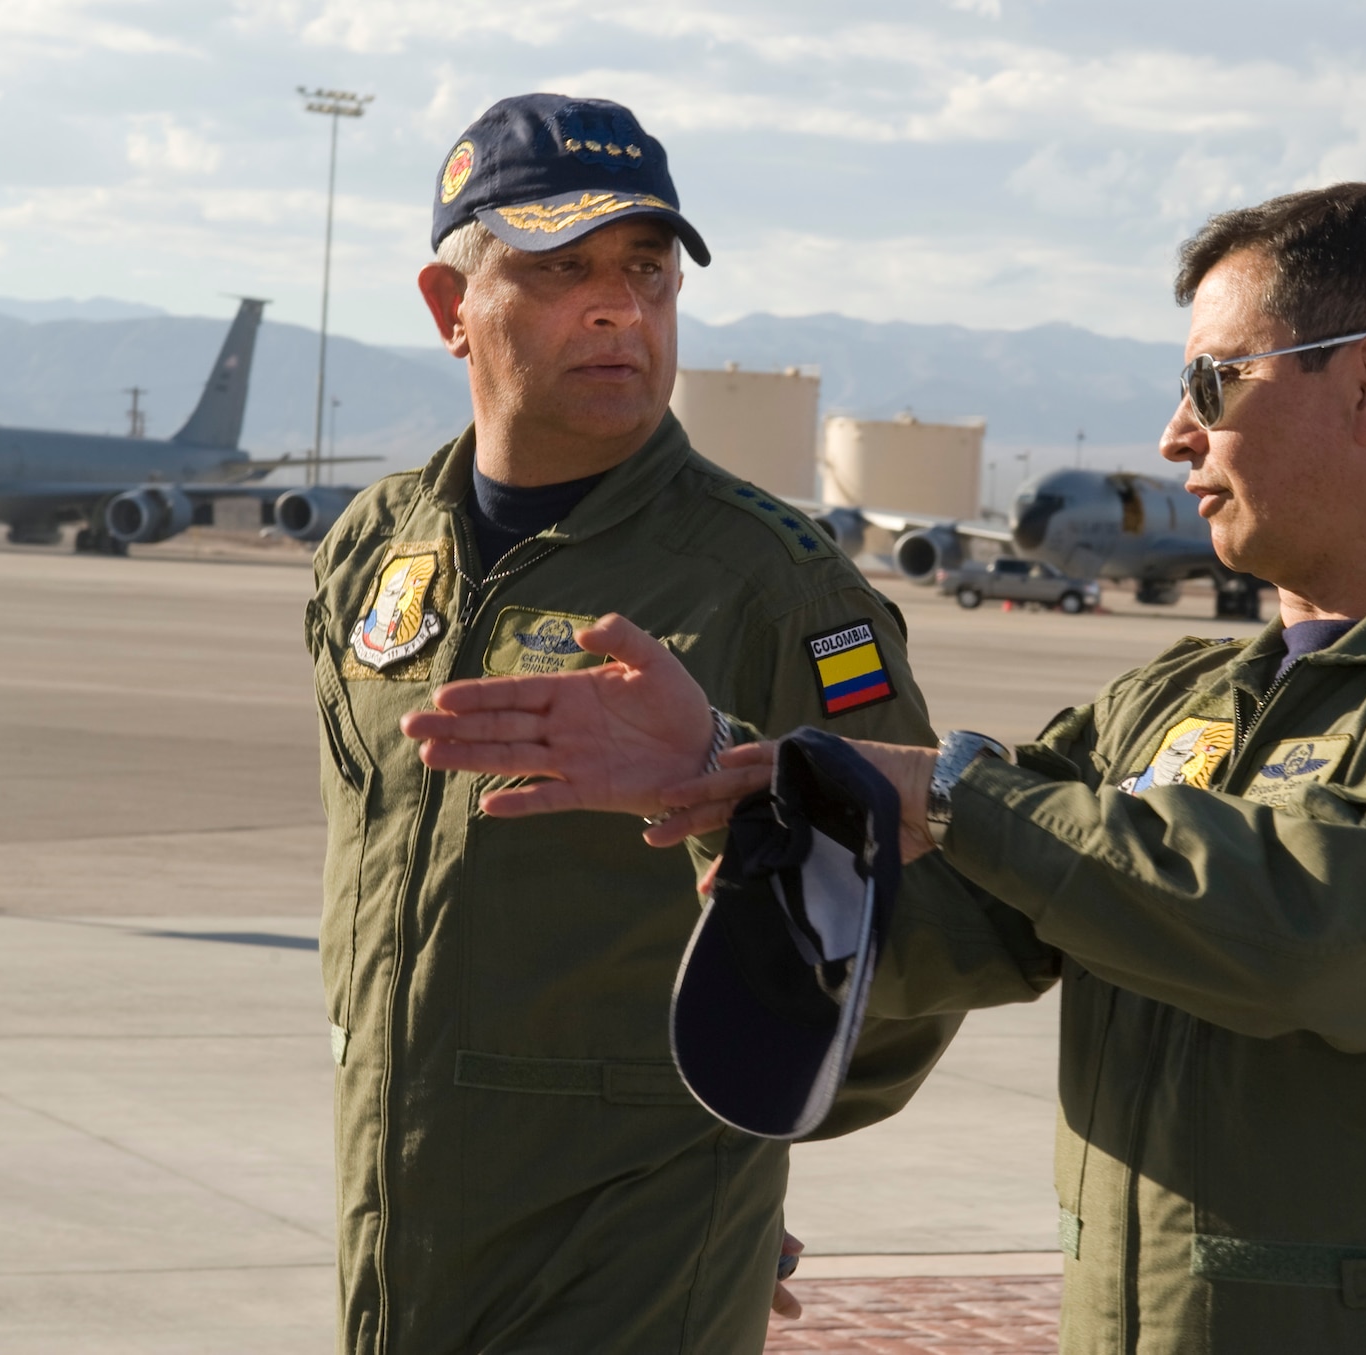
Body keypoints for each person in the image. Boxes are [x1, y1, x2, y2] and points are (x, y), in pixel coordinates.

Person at [401, 182, 1366, 1354]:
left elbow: (1320, 929)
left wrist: (956, 794)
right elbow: (949, 926)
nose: (1174, 435)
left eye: (1213, 381)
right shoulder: (1173, 706)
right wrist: (735, 784)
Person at [306, 92, 984, 1354]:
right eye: (562, 270)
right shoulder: (374, 549)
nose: (620, 307)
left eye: (647, 272)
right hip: (399, 1208)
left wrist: (755, 1144)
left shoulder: (777, 584)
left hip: (628, 1239)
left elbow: (913, 908)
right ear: (450, 308)